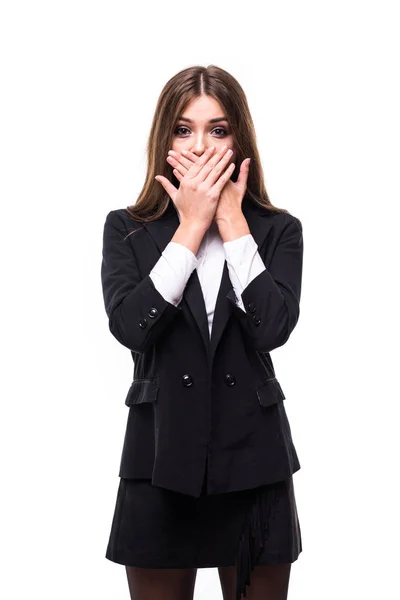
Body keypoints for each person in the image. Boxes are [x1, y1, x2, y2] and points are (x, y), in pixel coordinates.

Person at [101, 64, 304, 600]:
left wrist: (232, 222)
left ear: (239, 137)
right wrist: (191, 227)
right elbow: (130, 328)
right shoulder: (128, 228)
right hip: (159, 458)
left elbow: (274, 329)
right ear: (165, 138)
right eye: (184, 129)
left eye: (218, 130)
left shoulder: (277, 229)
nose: (200, 146)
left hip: (254, 463)